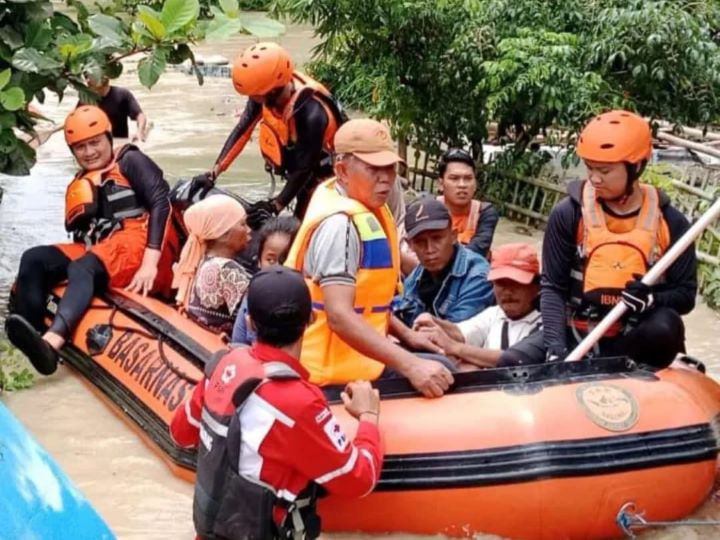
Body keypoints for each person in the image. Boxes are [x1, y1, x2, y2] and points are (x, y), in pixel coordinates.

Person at [170, 266, 383, 540]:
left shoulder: (224, 364)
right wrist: (368, 418)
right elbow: (359, 479)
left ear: (250, 323)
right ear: (311, 318)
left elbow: (180, 434)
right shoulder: (300, 403)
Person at [503, 110, 696, 368]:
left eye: (604, 170)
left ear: (636, 166)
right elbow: (553, 288)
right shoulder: (569, 214)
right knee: (510, 362)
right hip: (575, 334)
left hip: (633, 337)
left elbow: (685, 295)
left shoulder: (671, 222)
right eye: (590, 168)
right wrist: (556, 353)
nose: (594, 179)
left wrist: (652, 299)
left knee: (665, 328)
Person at [284, 118, 454, 398]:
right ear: (342, 170)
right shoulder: (340, 226)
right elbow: (339, 316)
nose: (386, 178)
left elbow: (368, 303)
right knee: (440, 375)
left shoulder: (368, 210)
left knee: (444, 365)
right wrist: (411, 365)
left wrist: (407, 336)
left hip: (361, 360)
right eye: (374, 168)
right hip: (332, 376)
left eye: (390, 167)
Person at [6, 106, 177, 375]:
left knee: (82, 268)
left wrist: (150, 262)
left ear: (109, 137)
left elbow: (161, 203)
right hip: (101, 246)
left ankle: (52, 344)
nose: (89, 152)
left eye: (95, 143)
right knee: (34, 258)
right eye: (80, 147)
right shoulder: (82, 178)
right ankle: (29, 338)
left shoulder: (131, 160)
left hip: (139, 243)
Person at [195, 42, 346, 226]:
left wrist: (275, 205)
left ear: (272, 90)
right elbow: (242, 130)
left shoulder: (311, 112)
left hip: (326, 178)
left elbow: (304, 167)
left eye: (254, 95)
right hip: (302, 172)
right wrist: (213, 173)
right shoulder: (265, 94)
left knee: (300, 232)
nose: (251, 99)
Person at [414, 243, 542, 369]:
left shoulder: (547, 322)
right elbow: (461, 333)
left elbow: (515, 359)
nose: (508, 291)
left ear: (536, 287)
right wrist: (432, 322)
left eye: (516, 283)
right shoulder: (495, 313)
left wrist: (453, 347)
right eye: (501, 283)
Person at [393, 197, 494, 329]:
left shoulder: (478, 275)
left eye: (437, 238)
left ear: (453, 236)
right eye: (420, 242)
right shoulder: (418, 275)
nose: (429, 249)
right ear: (410, 245)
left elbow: (453, 335)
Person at [172, 195, 252, 335]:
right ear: (223, 234)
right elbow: (254, 318)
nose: (249, 230)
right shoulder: (227, 269)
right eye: (243, 224)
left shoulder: (202, 261)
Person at [232, 215, 300, 345]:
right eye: (270, 260)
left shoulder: (303, 307)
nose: (278, 269)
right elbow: (238, 344)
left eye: (286, 260)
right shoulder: (251, 298)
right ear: (259, 261)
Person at [436, 148, 499, 258]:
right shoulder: (429, 209)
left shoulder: (484, 212)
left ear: (475, 184)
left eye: (468, 178)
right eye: (454, 178)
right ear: (441, 184)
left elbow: (478, 250)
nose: (462, 185)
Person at [81, 75, 148, 142]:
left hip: (120, 144)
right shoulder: (85, 100)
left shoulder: (122, 94)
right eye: (86, 77)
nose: (88, 80)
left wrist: (139, 132)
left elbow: (140, 116)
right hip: (96, 146)